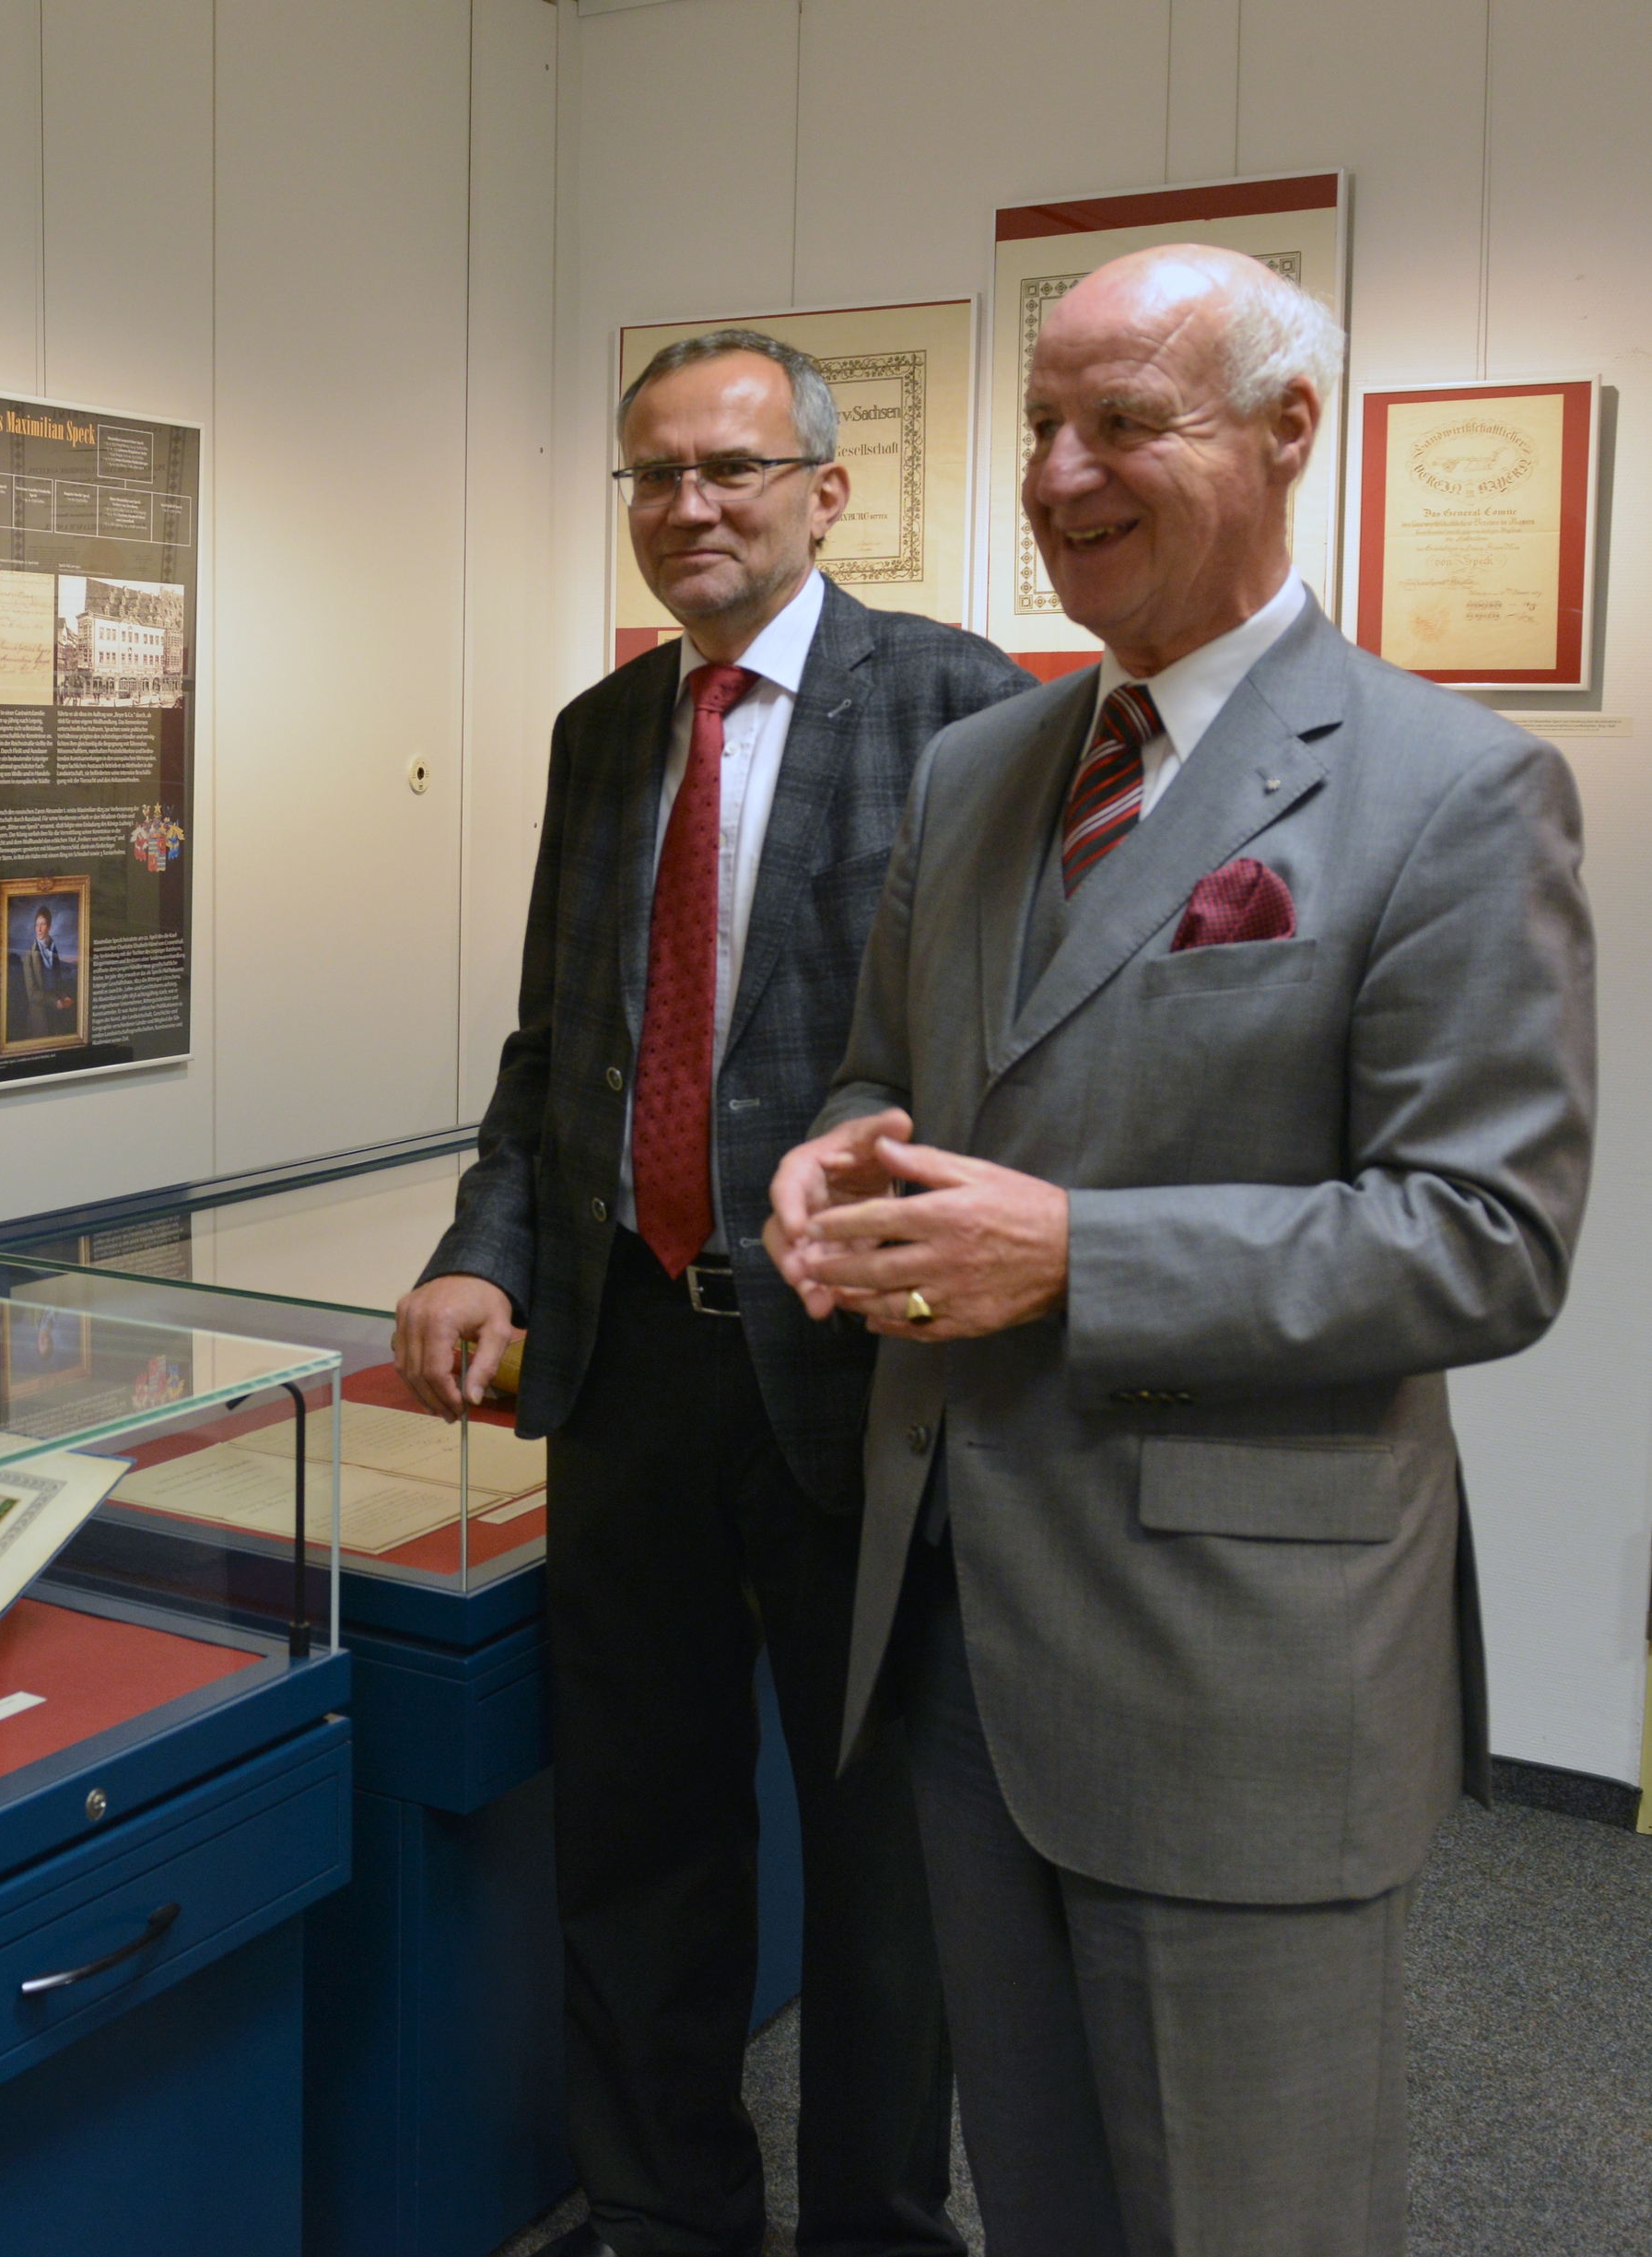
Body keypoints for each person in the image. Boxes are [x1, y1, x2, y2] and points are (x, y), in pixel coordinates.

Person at [765, 246, 1593, 2256]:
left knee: (1247, 2212)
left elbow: (1484, 1237)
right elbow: (887, 1076)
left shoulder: (1455, 788)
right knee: (1042, 2196)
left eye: (1122, 422)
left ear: (1289, 430)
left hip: (1238, 1666)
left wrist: (1078, 1255)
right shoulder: (981, 769)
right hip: (957, 1632)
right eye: (1040, 425)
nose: (1059, 474)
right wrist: (829, 1153)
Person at [394, 330, 1031, 2257]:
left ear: (822, 491)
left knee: (880, 1858)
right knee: (640, 1832)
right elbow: (552, 1046)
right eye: (654, 472)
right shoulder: (604, 731)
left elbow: (1025, 1042)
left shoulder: (960, 705)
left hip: (858, 1365)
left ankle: (874, 2230)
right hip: (627, 1362)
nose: (689, 505)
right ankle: (664, 2214)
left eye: (730, 467)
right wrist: (481, 1245)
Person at [11, 901, 73, 1040]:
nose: (39, 929)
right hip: (40, 1018)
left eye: (43, 924)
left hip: (55, 1016)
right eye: (37, 925)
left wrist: (64, 997)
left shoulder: (53, 949)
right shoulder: (29, 956)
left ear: (49, 927)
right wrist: (54, 1001)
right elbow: (32, 993)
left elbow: (57, 981)